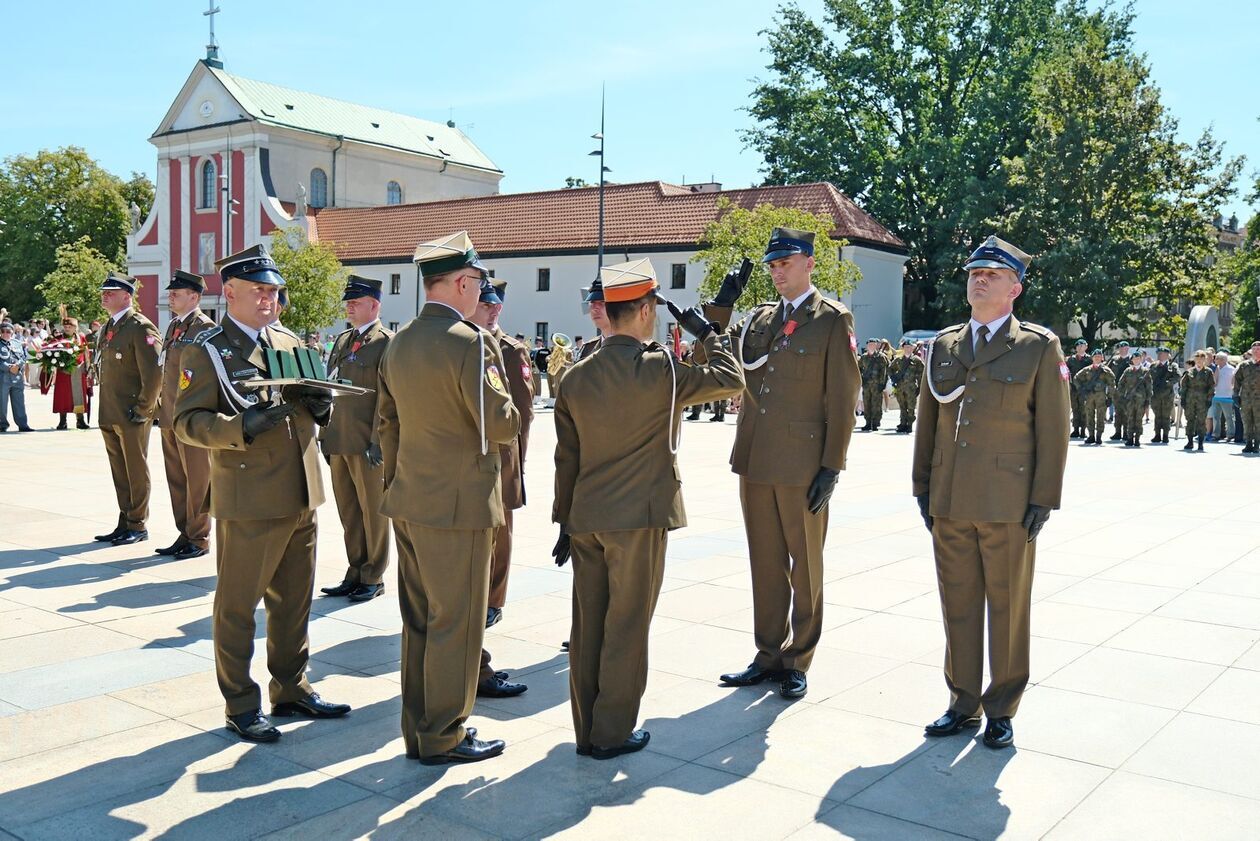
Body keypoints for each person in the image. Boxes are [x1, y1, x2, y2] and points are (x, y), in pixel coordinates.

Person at [553, 258, 743, 758]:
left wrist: (562, 522)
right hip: (637, 520)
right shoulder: (660, 370)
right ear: (640, 311)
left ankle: (585, 729)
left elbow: (565, 459)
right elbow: (730, 379)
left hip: (586, 518)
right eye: (653, 308)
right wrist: (708, 332)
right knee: (627, 625)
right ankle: (612, 733)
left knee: (588, 625)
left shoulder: (575, 376)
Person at [175, 244, 349, 743]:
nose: (269, 299)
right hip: (249, 497)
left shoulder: (288, 340)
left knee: (294, 602)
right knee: (237, 605)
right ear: (229, 292)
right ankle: (240, 702)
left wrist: (322, 410)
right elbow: (186, 422)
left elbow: (307, 405)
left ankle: (292, 687)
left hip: (301, 492)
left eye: (274, 291)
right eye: (259, 290)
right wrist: (239, 425)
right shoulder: (206, 348)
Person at [912, 235, 1069, 750]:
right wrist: (922, 487)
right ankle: (962, 701)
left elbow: (1053, 428)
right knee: (957, 604)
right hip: (950, 499)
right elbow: (928, 423)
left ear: (1014, 289)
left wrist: (1042, 498)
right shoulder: (945, 343)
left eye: (992, 274)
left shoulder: (1038, 346)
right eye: (974, 272)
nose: (979, 279)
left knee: (1006, 607)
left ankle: (1001, 706)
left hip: (1008, 502)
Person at [377, 231, 520, 765]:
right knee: (456, 624)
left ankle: (418, 729)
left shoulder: (399, 341)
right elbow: (503, 423)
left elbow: (387, 425)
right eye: (478, 282)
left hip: (409, 500)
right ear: (462, 281)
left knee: (419, 622)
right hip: (458, 507)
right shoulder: (471, 342)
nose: (479, 292)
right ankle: (445, 734)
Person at [706, 227, 861, 701]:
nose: (777, 272)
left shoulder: (833, 319)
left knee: (805, 564)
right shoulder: (758, 320)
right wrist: (721, 305)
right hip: (756, 459)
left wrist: (831, 467)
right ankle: (767, 654)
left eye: (786, 263)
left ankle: (798, 658)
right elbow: (716, 359)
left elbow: (843, 395)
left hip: (802, 463)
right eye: (773, 265)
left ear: (809, 263)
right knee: (766, 563)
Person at [468, 274, 533, 699]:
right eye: (486, 303)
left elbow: (522, 415)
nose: (493, 310)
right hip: (470, 466)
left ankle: (493, 600)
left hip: (500, 460)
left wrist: (516, 466)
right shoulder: (463, 344)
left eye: (497, 305)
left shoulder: (509, 351)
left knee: (499, 540)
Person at [319, 276, 394, 603]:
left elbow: (388, 397)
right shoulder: (343, 340)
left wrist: (379, 440)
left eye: (356, 301)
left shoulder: (386, 342)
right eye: (348, 302)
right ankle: (355, 569)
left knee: (373, 514)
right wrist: (325, 432)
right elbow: (333, 387)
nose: (349, 306)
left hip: (367, 444)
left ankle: (373, 575)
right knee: (349, 513)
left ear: (374, 305)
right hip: (339, 439)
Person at [93, 274, 162, 546]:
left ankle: (138, 523)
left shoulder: (139, 327)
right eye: (104, 291)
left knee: (135, 468)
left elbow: (155, 372)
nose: (105, 295)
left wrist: (144, 408)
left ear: (127, 295)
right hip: (110, 411)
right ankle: (125, 519)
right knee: (119, 470)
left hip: (133, 413)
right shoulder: (109, 327)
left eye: (111, 291)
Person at [155, 270, 216, 559]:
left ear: (194, 296)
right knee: (177, 479)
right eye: (170, 293)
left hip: (191, 418)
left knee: (198, 479)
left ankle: (199, 536)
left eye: (176, 293)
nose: (170, 296)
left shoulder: (204, 327)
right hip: (169, 414)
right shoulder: (174, 327)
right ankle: (185, 532)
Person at [39, 314, 92, 429]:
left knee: (79, 396)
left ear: (75, 327)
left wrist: (88, 369)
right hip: (64, 373)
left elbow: (86, 353)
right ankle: (63, 421)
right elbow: (51, 352)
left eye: (70, 326)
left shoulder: (81, 338)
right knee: (63, 397)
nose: (67, 328)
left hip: (78, 372)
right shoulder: (58, 339)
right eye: (65, 326)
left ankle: (80, 420)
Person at [1074, 349, 1115, 445]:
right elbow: (1076, 378)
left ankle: (1099, 436)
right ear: (1092, 358)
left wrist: (1110, 397)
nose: (1097, 358)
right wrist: (1081, 389)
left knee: (1100, 416)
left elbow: (1112, 384)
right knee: (1089, 415)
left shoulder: (1106, 370)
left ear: (1102, 358)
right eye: (1095, 357)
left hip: (1101, 396)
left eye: (1099, 357)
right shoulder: (1087, 369)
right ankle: (1091, 435)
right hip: (1089, 396)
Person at [0, 321, 33, 432]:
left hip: (17, 377)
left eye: (8, 331)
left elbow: (23, 357)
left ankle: (23, 425)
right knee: (2, 403)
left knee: (19, 402)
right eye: (3, 331)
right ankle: (2, 424)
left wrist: (18, 365)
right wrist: (8, 367)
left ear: (12, 332)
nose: (5, 333)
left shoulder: (17, 343)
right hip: (3, 377)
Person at [1180, 350, 1214, 451]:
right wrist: (1183, 398)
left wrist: (1209, 399)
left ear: (1205, 360)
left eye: (1202, 359)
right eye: (1197, 358)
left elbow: (1211, 387)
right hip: (1190, 399)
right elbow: (1184, 386)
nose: (1199, 361)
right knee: (1190, 420)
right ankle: (1190, 441)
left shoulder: (1208, 372)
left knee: (1201, 421)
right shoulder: (1189, 372)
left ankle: (1200, 443)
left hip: (1202, 400)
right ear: (1195, 359)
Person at [1116, 353, 1152, 448]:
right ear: (1132, 360)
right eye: (1134, 358)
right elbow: (1121, 384)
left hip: (1141, 400)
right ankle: (1130, 438)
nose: (1136, 360)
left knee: (1139, 419)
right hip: (1130, 400)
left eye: (1138, 358)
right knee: (1130, 418)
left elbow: (1149, 387)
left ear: (1141, 359)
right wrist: (1121, 395)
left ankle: (1137, 438)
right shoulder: (1128, 371)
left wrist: (1148, 400)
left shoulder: (1145, 371)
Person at [890, 337, 925, 433]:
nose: (907, 349)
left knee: (911, 407)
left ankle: (909, 425)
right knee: (902, 407)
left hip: (911, 388)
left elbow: (922, 373)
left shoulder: (916, 360)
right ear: (902, 348)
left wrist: (920, 387)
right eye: (905, 347)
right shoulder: (898, 360)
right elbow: (890, 369)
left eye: (909, 347)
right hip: (900, 388)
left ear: (912, 348)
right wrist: (893, 377)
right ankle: (902, 424)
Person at [1148, 346, 1179, 444]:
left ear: (1167, 355)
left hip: (1167, 395)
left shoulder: (1172, 366)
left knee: (1166, 415)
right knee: (1157, 415)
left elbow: (1178, 376)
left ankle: (1165, 435)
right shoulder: (1153, 366)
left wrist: (1168, 382)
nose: (1159, 355)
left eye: (1161, 354)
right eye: (1158, 354)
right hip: (1156, 395)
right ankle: (1157, 435)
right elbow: (1148, 377)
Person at [1233, 341, 1260, 453]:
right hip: (1246, 399)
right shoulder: (1244, 365)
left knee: (1258, 422)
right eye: (1254, 349)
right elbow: (1237, 381)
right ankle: (1248, 443)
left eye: (1258, 349)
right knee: (1247, 421)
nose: (1256, 351)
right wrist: (1235, 394)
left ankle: (1257, 444)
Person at [858, 339, 889, 431]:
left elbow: (885, 371)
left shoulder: (881, 357)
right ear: (867, 346)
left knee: (876, 404)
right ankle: (868, 423)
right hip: (866, 385)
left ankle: (875, 423)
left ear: (876, 346)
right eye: (869, 345)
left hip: (877, 385)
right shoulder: (863, 357)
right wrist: (861, 380)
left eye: (873, 345)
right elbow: (858, 369)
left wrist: (882, 384)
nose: (871, 346)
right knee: (867, 404)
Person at [1065, 339, 1091, 438]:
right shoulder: (1071, 359)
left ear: (1086, 347)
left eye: (1082, 346)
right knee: (1075, 408)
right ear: (1076, 348)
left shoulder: (1089, 359)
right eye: (1078, 346)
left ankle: (1083, 430)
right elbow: (1066, 372)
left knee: (1084, 409)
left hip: (1084, 387)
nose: (1080, 348)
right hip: (1073, 388)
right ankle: (1076, 429)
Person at [1106, 341, 1132, 440]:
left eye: (1124, 348)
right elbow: (1107, 370)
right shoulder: (1114, 360)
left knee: (1126, 412)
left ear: (1128, 348)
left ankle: (1126, 432)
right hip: (1116, 389)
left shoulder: (1132, 359)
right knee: (1118, 412)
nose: (1122, 350)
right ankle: (1117, 432)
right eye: (1120, 348)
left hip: (1127, 390)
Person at [1209, 351, 1235, 443]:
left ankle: (1230, 435)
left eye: (1217, 358)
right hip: (1217, 396)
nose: (1215, 360)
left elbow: (1233, 382)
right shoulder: (1217, 368)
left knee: (1228, 417)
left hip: (1227, 396)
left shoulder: (1231, 369)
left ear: (1223, 359)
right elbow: (1214, 382)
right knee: (1216, 417)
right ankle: (1216, 435)